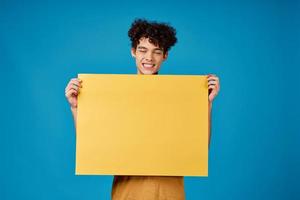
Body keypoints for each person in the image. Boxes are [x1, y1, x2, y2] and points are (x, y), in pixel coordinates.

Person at [65, 18, 220, 200]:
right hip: (128, 192)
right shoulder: (114, 96)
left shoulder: (179, 98)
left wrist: (207, 104)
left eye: (157, 51)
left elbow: (199, 149)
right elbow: (93, 145)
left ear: (165, 56)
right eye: (143, 50)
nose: (149, 58)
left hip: (169, 192)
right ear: (133, 52)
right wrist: (76, 108)